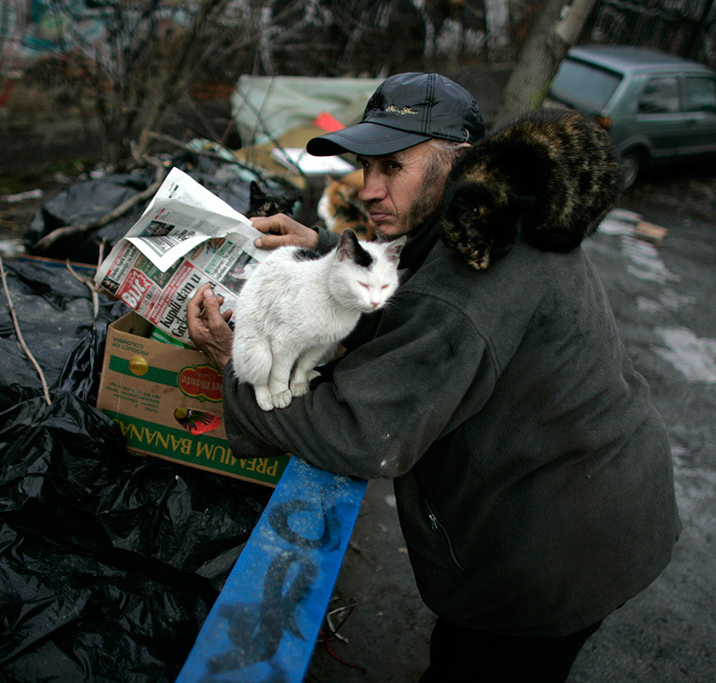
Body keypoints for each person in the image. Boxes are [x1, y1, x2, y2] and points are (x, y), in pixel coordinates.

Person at [185, 72, 680, 682]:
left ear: (459, 162)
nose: (368, 190)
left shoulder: (471, 285)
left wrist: (234, 362)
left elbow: (360, 433)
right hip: (598, 494)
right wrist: (325, 262)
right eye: (365, 167)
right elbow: (413, 294)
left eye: (392, 168)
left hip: (554, 547)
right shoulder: (492, 215)